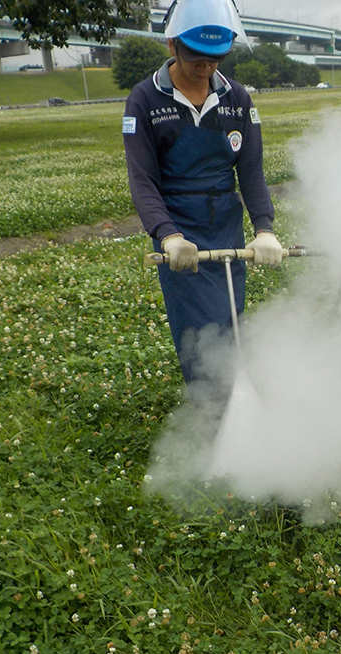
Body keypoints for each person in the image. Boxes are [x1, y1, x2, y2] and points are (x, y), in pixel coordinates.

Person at [122, 0, 282, 386]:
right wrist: (168, 234)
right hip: (181, 229)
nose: (205, 68)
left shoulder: (237, 99)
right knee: (197, 328)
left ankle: (232, 397)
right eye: (196, 58)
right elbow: (143, 179)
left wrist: (265, 228)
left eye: (214, 59)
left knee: (229, 319)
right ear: (172, 44)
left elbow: (251, 173)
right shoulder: (145, 100)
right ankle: (209, 411)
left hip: (225, 223)